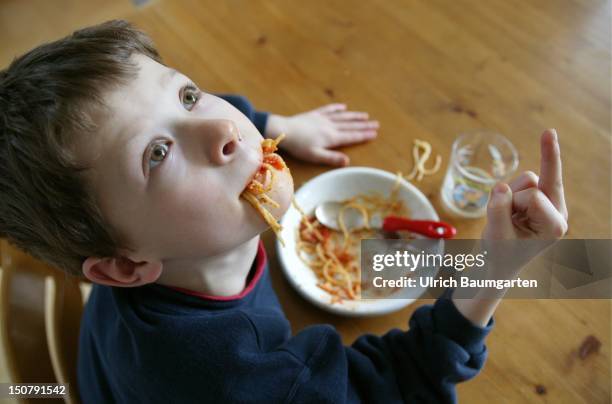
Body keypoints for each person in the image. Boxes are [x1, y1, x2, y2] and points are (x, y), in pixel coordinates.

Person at [0, 20, 568, 403]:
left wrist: (279, 126)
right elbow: (401, 384)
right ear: (122, 267)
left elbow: (201, 113)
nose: (225, 127)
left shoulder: (146, 246)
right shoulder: (246, 375)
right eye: (156, 153)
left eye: (188, 95)